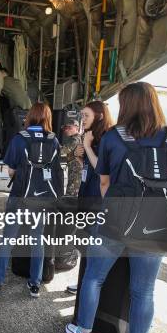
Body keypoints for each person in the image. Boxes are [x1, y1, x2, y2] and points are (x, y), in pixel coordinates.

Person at [66, 82, 167, 333]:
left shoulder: (115, 138)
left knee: (95, 277)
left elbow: (104, 181)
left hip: (114, 222)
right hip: (155, 224)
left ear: (126, 105)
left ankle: (82, 332)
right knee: (144, 291)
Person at [0, 103, 63, 298]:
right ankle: (35, 284)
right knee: (37, 239)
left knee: (7, 239)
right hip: (41, 200)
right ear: (47, 117)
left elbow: (11, 170)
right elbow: (56, 171)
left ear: (30, 117)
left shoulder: (20, 139)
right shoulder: (53, 141)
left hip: (19, 198)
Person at [66, 101, 113, 295]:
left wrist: (86, 145)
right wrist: (79, 156)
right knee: (84, 245)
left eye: (86, 116)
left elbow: (103, 171)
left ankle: (92, 286)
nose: (82, 119)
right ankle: (84, 282)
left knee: (94, 248)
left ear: (100, 116)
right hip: (85, 197)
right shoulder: (90, 137)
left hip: (97, 202)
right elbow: (88, 166)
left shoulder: (106, 139)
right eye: (82, 116)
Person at [59, 118, 83, 197]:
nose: (67, 130)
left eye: (70, 127)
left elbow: (62, 151)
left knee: (71, 194)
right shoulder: (78, 138)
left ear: (77, 128)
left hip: (75, 170)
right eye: (65, 128)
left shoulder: (74, 139)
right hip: (76, 169)